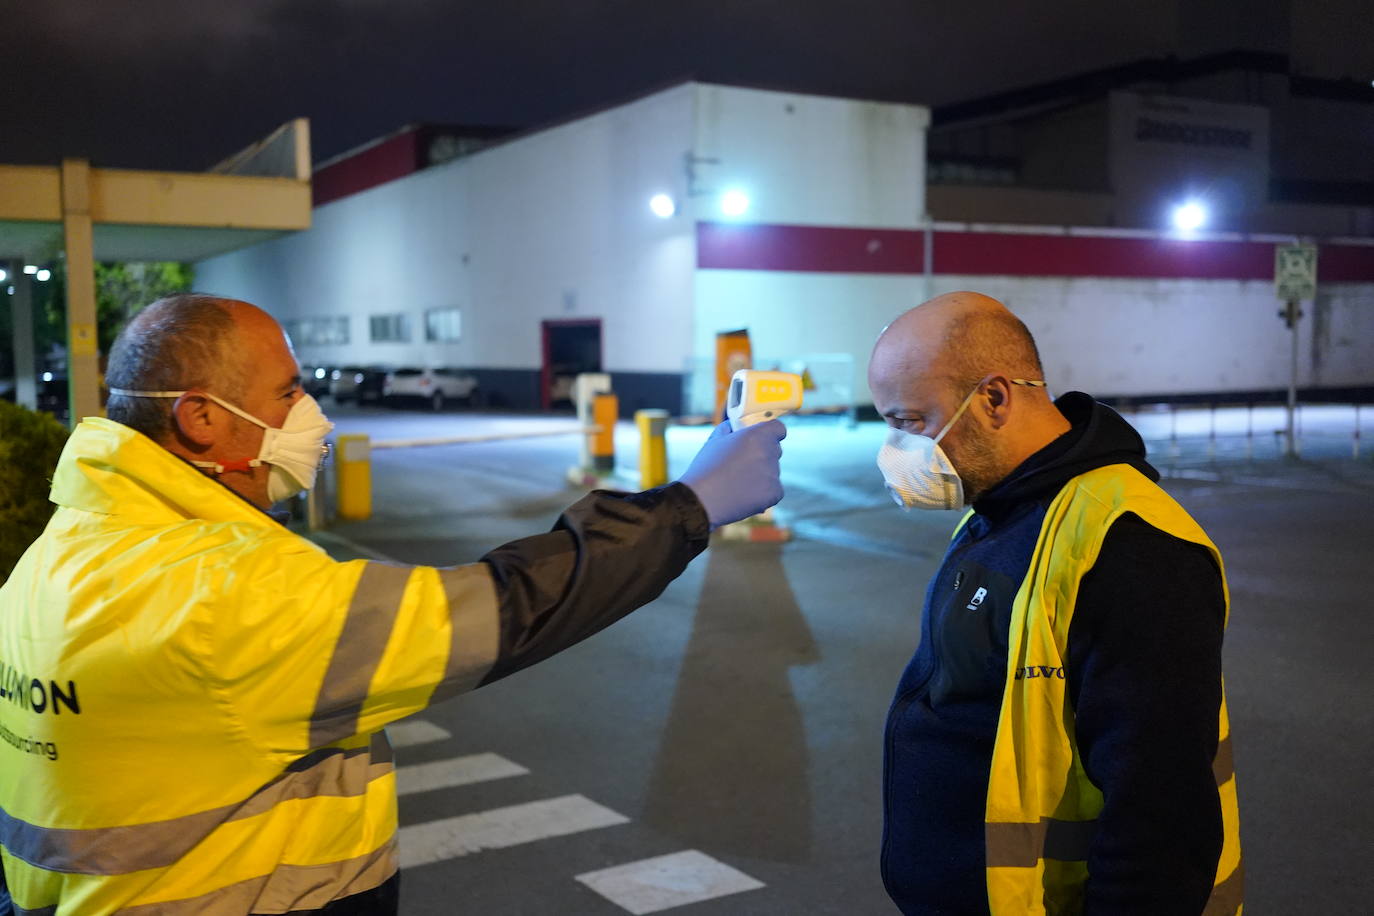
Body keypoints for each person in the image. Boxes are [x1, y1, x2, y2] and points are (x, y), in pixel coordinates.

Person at [0, 294, 786, 916]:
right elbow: (497, 610)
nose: (312, 415)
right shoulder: (221, 594)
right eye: (289, 391)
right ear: (202, 418)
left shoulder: (57, 558)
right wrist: (687, 505)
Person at [869, 292, 1241, 915]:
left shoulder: (1132, 546)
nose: (896, 449)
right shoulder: (1001, 509)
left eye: (908, 422)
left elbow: (1159, 811)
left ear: (992, 398)